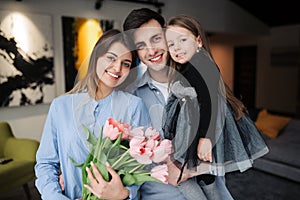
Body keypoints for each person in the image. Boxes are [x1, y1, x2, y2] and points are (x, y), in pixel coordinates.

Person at [123, 8, 234, 200]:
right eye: (141, 45)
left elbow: (225, 139)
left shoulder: (200, 77)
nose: (151, 50)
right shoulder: (131, 97)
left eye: (156, 39)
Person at [34, 29, 151, 200]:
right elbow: (45, 163)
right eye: (111, 58)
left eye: (125, 63)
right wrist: (56, 197)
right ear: (96, 57)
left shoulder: (134, 106)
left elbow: (142, 164)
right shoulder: (61, 106)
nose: (117, 68)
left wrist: (125, 193)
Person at [163, 14, 269, 196]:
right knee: (203, 177)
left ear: (198, 41)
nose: (177, 47)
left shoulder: (200, 64)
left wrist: (206, 138)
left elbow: (209, 101)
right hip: (194, 129)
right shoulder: (192, 66)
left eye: (182, 39)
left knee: (180, 178)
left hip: (199, 131)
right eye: (171, 44)